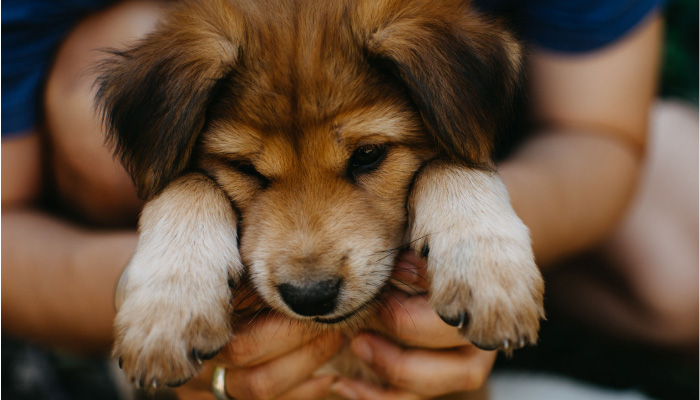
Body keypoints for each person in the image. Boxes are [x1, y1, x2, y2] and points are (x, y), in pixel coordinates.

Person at [2, 1, 695, 400]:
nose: (310, 257)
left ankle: (461, 304)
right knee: (94, 93)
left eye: (364, 155)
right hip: (95, 128)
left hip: (527, 113)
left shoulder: (433, 58)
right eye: (252, 166)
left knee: (685, 266)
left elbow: (592, 131)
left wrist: (476, 229)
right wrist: (168, 285)